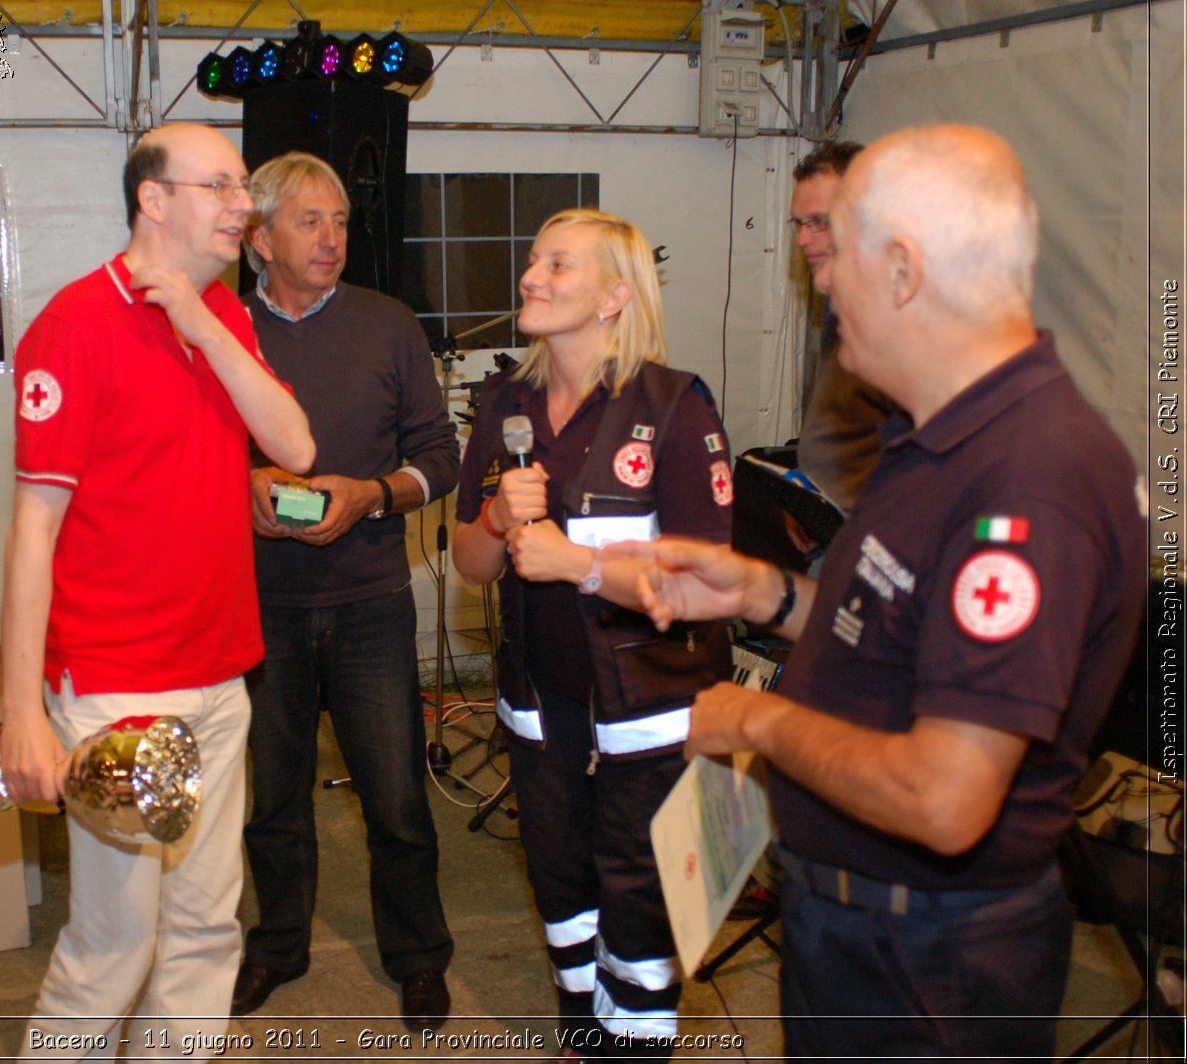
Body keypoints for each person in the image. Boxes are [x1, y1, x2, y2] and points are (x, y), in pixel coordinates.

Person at [633, 124, 1147, 1060]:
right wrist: (767, 596)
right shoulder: (936, 437)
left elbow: (945, 799)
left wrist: (755, 723)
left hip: (927, 957)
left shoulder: (1026, 483)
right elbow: (897, 635)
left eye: (841, 253)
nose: (822, 283)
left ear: (903, 270)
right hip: (864, 927)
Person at [0, 123, 314, 1059]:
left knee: (208, 929)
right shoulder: (73, 326)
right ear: (153, 198)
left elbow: (295, 450)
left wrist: (202, 322)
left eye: (241, 187)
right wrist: (22, 710)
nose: (241, 206)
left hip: (221, 674)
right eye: (218, 186)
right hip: (118, 688)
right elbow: (31, 533)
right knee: (113, 945)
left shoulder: (227, 317)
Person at [451, 208, 733, 1058]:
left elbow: (709, 584)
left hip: (652, 707)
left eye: (558, 266)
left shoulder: (677, 407)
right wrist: (498, 518)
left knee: (641, 893)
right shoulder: (506, 405)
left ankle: (636, 1045)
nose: (531, 277)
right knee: (562, 880)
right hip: (545, 701)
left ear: (615, 295)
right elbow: (469, 565)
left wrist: (576, 564)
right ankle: (585, 1032)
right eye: (533, 261)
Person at [233, 152, 459, 1030]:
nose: (332, 239)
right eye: (309, 222)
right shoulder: (220, 331)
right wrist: (238, 486)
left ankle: (418, 958)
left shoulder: (388, 323)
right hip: (258, 606)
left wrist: (373, 494)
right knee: (272, 796)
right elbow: (176, 457)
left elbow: (439, 457)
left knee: (397, 796)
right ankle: (279, 947)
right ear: (259, 238)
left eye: (340, 222)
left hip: (369, 600)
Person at [789, 141, 898, 513]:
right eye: (799, 224)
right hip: (833, 520)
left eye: (820, 221)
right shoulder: (841, 303)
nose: (803, 239)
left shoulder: (903, 322)